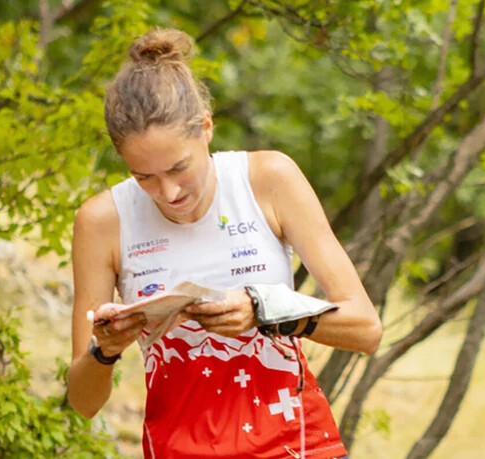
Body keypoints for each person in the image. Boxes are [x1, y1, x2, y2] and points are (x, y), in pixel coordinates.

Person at [66, 28, 382, 458]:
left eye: (179, 168)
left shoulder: (268, 179)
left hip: (297, 445)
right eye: (145, 178)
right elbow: (83, 403)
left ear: (207, 128)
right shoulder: (102, 221)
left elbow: (366, 328)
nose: (169, 192)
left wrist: (265, 312)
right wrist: (104, 350)